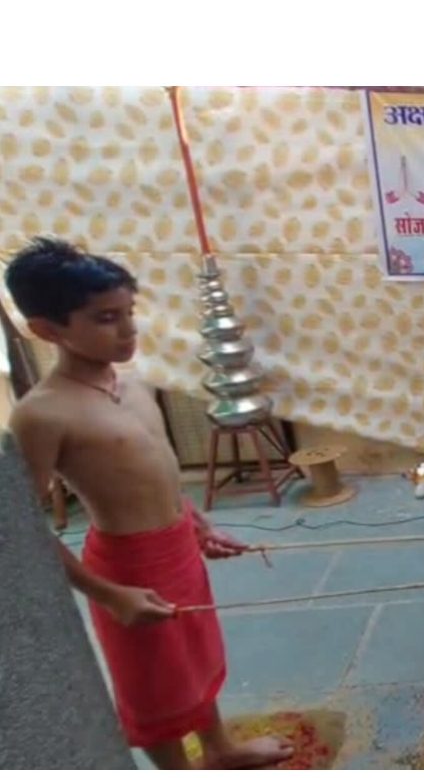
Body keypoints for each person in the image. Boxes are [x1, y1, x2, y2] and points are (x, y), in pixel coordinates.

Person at [3, 237, 293, 768]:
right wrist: (109, 594)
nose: (128, 329)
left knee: (196, 655)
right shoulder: (42, 414)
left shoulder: (135, 384)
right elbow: (22, 530)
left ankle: (219, 748)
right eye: (106, 318)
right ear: (46, 330)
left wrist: (196, 523)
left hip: (178, 545)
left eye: (129, 312)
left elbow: (157, 469)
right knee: (153, 685)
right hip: (127, 566)